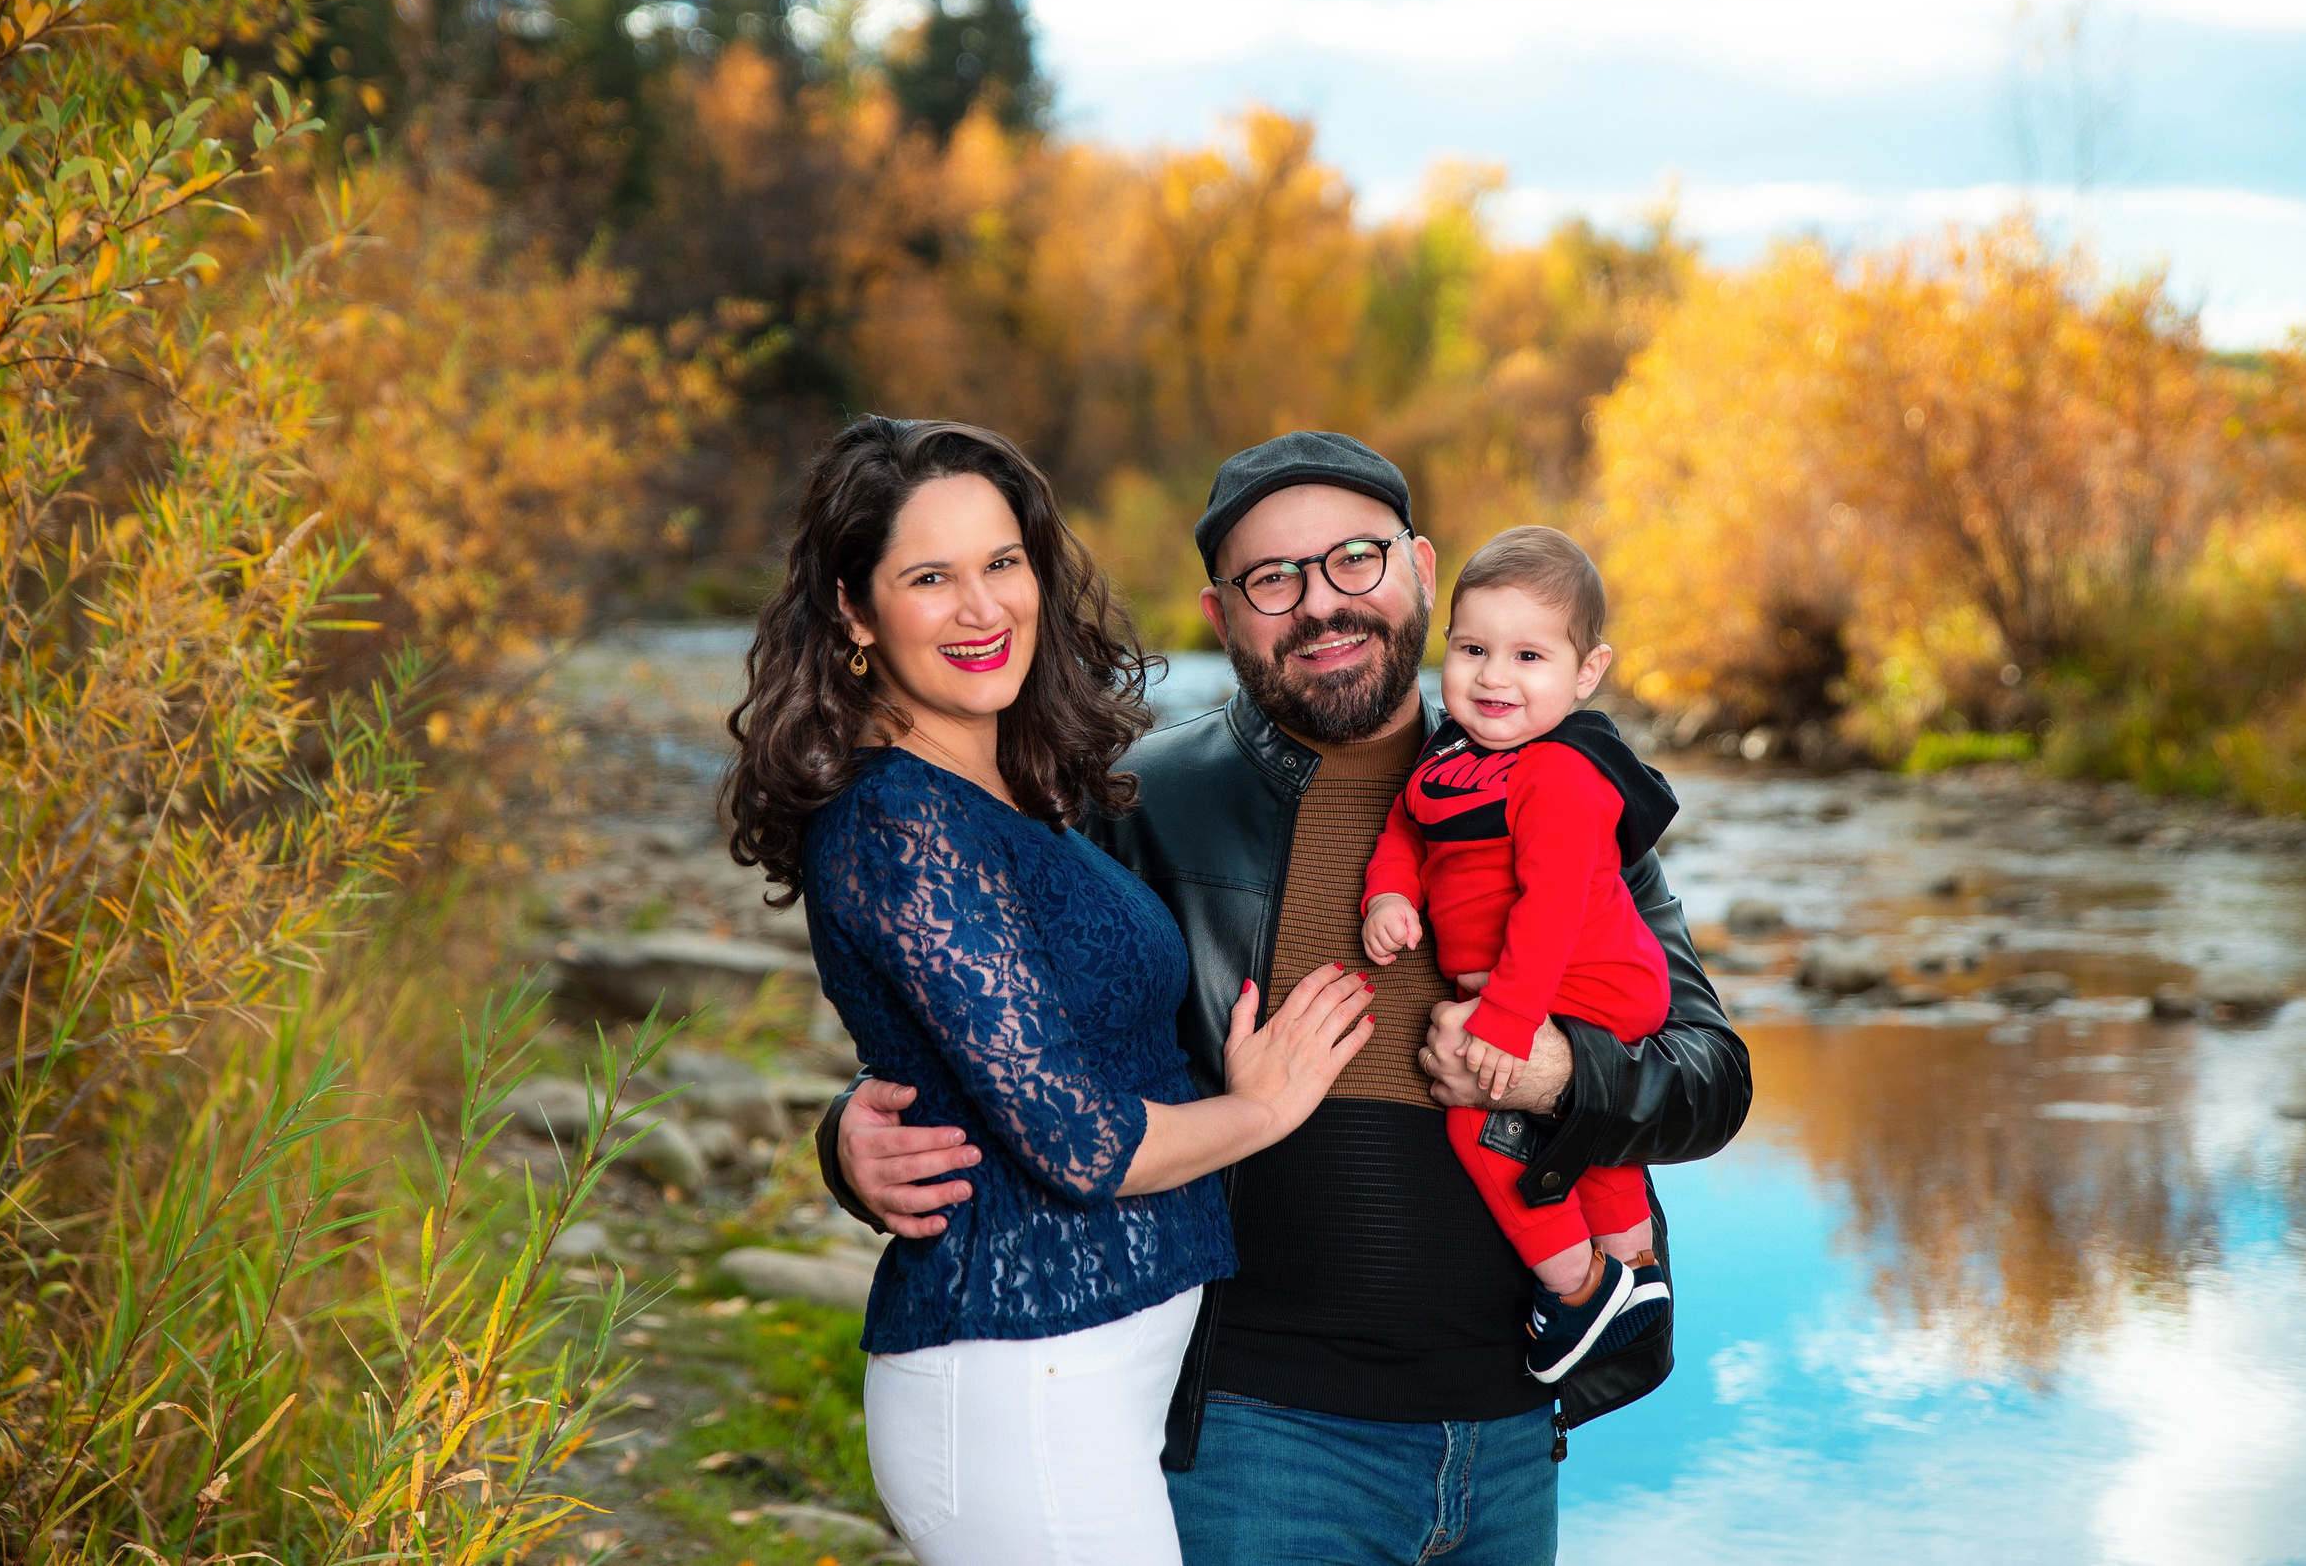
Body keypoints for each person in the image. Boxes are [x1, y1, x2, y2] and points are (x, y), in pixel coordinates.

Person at [821, 431, 1752, 1565]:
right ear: (1222, 617)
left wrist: (1560, 1069)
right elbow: (988, 1005)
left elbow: (1711, 1077)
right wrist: (851, 1138)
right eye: (1273, 579)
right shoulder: (1139, 799)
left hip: (1509, 1427)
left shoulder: (1567, 786)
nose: (1321, 604)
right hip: (1259, 1442)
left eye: (1354, 559)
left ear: (1419, 566)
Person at [725, 418, 1377, 1566]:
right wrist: (1265, 1107)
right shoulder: (897, 820)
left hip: (1088, 1371)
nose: (983, 609)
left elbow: (992, 1042)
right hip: (1017, 1380)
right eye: (930, 576)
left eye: (1001, 561)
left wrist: (848, 1129)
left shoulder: (1015, 788)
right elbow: (1077, 1140)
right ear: (853, 611)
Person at [1361, 525, 1679, 1387]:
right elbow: (1405, 826)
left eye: (1529, 655)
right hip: (1536, 988)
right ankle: (1632, 1269)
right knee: (1600, 1149)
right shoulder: (1448, 759)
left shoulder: (1563, 774)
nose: (1494, 676)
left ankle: (1576, 1288)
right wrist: (1390, 894)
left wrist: (1504, 1023)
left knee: (1480, 1117)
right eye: (1473, 649)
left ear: (1586, 672)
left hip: (1589, 980)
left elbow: (1551, 910)